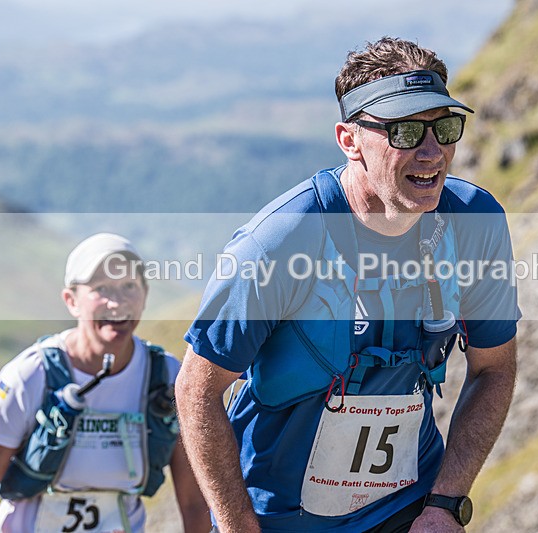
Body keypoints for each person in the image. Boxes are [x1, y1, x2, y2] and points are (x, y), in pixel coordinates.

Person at [176, 37, 520, 532]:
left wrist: (445, 505)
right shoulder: (279, 242)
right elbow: (196, 391)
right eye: (404, 131)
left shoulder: (474, 222)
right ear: (349, 140)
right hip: (279, 520)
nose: (432, 152)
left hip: (407, 509)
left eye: (445, 128)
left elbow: (494, 368)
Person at [0, 233, 210, 533]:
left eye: (129, 286)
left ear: (145, 294)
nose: (117, 302)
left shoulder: (167, 377)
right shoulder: (30, 375)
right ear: (71, 301)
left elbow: (195, 503)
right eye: (101, 289)